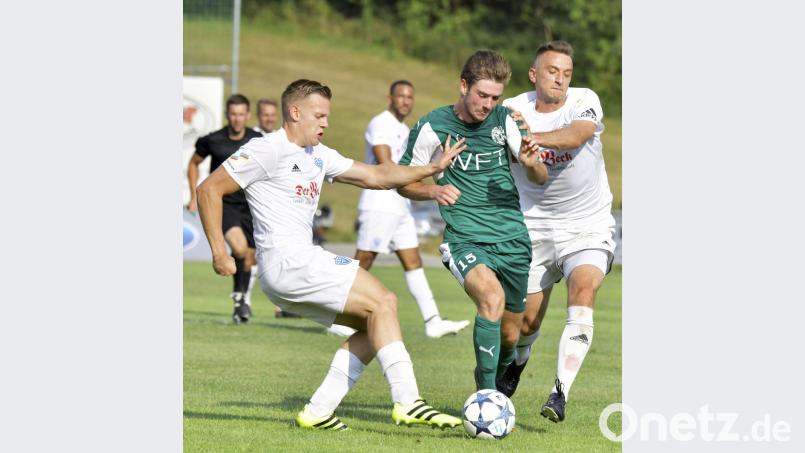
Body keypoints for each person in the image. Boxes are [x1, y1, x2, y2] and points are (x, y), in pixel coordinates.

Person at [196, 79, 465, 430]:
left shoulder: (318, 155)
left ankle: (319, 410)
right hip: (291, 263)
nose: (325, 123)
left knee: (376, 324)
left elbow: (376, 175)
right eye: (319, 116)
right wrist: (219, 252)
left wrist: (430, 170)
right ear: (295, 112)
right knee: (384, 300)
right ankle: (409, 401)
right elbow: (208, 190)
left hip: (292, 270)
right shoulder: (267, 149)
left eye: (327, 117)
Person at [397, 50, 548, 392]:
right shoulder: (432, 126)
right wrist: (434, 192)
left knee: (511, 333)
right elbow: (403, 181)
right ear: (463, 86)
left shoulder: (507, 119)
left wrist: (530, 164)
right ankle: (485, 394)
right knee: (491, 299)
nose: (488, 104)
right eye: (482, 95)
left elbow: (540, 177)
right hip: (464, 237)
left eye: (495, 97)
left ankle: (496, 377)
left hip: (511, 239)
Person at [497, 41, 617, 424]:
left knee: (583, 291)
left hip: (588, 223)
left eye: (566, 73)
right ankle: (518, 362)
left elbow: (577, 135)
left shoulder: (584, 99)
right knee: (525, 323)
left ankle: (559, 392)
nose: (561, 80)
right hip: (532, 225)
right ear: (534, 74)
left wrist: (528, 138)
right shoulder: (512, 110)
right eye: (552, 72)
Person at [351, 80, 470, 339]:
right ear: (390, 97)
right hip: (379, 202)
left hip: (400, 204)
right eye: (401, 96)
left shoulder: (405, 129)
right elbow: (386, 164)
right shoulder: (380, 123)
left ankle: (433, 321)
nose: (406, 101)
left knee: (413, 261)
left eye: (409, 97)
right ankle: (337, 315)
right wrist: (428, 170)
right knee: (364, 260)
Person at [187, 94, 263, 324]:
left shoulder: (257, 140)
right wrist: (194, 195)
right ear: (226, 115)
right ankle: (240, 299)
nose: (237, 119)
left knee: (249, 256)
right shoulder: (213, 140)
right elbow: (193, 163)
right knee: (239, 249)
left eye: (241, 114)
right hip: (224, 205)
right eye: (233, 114)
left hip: (250, 205)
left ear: (248, 115)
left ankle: (241, 299)